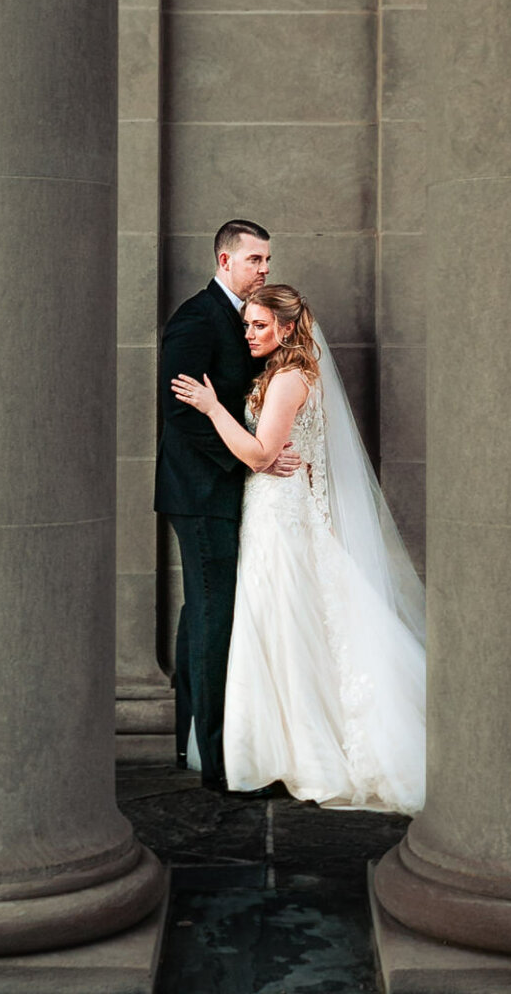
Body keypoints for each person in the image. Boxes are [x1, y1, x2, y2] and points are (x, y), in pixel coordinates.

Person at [172, 284, 426, 813]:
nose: (249, 334)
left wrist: (215, 408)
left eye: (259, 326)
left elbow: (262, 452)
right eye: (246, 325)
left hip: (281, 516)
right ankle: (272, 746)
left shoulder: (289, 378)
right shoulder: (281, 374)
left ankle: (299, 751)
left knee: (284, 624)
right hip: (271, 510)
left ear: (287, 328)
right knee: (276, 626)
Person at [154, 219, 301, 793]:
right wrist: (255, 459)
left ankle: (192, 742)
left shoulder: (243, 318)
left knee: (202, 614)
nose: (265, 269)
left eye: (267, 260)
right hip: (201, 492)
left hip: (219, 490)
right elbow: (182, 411)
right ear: (224, 261)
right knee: (215, 617)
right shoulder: (196, 317)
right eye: (255, 260)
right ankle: (220, 765)